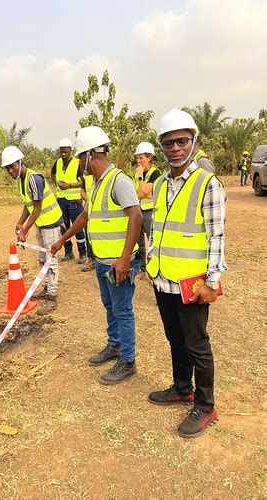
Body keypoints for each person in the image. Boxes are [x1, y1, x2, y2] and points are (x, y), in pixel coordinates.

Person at [146, 109, 227, 438]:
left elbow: (217, 236)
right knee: (174, 338)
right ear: (161, 147)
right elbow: (160, 228)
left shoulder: (207, 184)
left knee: (197, 344)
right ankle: (182, 388)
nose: (176, 148)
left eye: (182, 141)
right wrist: (152, 258)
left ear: (194, 142)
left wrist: (212, 282)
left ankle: (206, 406)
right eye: (168, 143)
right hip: (163, 278)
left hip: (191, 284)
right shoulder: (161, 183)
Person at [51, 126, 142, 385]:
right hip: (103, 261)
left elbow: (135, 216)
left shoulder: (119, 181)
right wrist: (61, 240)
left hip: (119, 263)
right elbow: (85, 216)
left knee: (122, 310)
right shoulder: (98, 183)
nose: (79, 163)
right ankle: (114, 345)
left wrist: (124, 259)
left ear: (91, 155)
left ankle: (128, 359)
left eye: (81, 157)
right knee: (110, 305)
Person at [1, 146, 63, 314]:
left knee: (51, 259)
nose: (10, 171)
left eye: (12, 166)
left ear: (20, 162)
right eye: (7, 168)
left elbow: (37, 208)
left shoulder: (33, 179)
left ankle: (52, 297)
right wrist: (20, 222)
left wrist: (24, 230)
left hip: (50, 222)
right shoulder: (22, 180)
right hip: (41, 223)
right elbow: (28, 205)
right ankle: (47, 287)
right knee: (43, 258)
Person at [51, 138, 87, 263]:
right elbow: (53, 173)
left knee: (77, 227)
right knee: (63, 226)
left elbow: (84, 181)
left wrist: (70, 185)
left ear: (70, 151)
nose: (63, 154)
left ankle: (82, 253)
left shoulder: (77, 163)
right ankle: (68, 252)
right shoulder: (58, 162)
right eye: (61, 152)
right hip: (61, 200)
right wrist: (57, 183)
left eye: (65, 152)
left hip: (74, 201)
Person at [133, 142, 161, 272]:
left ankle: (153, 267)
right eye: (137, 158)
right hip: (138, 211)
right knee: (139, 242)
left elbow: (143, 191)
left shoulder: (155, 173)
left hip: (149, 211)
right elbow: (136, 193)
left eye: (141, 158)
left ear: (149, 157)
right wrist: (142, 193)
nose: (139, 161)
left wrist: (140, 178)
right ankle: (141, 268)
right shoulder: (136, 173)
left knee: (152, 241)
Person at [80, 173, 96, 272]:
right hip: (89, 209)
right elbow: (82, 191)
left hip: (101, 210)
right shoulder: (86, 176)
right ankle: (91, 260)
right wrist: (89, 201)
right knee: (88, 235)